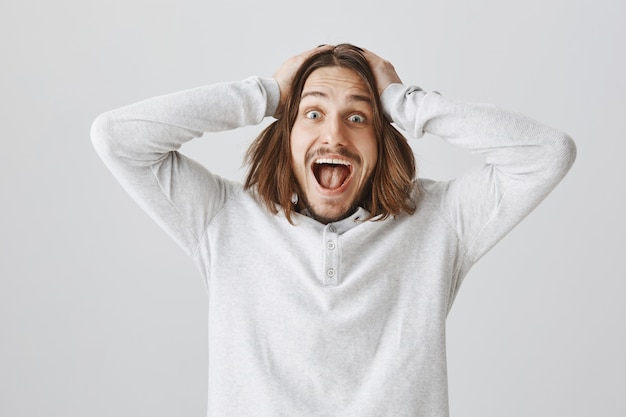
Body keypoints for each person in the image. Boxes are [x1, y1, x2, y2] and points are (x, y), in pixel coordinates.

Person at [91, 44, 576, 417]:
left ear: (382, 140)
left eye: (358, 117)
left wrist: (406, 102)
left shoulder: (439, 222)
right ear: (286, 135)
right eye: (313, 113)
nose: (334, 135)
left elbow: (546, 153)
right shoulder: (224, 218)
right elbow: (117, 138)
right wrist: (263, 95)